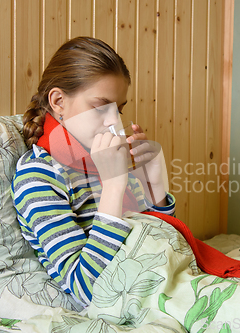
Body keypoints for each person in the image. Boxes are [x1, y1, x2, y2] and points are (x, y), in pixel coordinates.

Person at [10, 37, 175, 310]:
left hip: (160, 286)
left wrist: (154, 186)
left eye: (119, 109)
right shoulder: (37, 177)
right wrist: (113, 187)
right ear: (59, 101)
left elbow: (163, 246)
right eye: (101, 107)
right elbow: (87, 289)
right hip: (125, 301)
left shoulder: (106, 160)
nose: (114, 122)